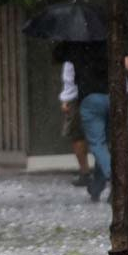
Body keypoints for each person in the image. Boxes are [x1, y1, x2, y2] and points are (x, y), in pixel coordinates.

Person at [68, 41, 128, 202]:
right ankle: (97, 188)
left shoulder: (76, 46)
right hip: (115, 97)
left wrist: (67, 99)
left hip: (90, 100)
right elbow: (126, 57)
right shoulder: (112, 40)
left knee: (98, 144)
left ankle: (116, 181)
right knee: (108, 144)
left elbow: (70, 76)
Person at [53, 42, 90, 187]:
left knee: (77, 135)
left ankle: (85, 172)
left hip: (76, 98)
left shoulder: (72, 57)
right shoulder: (97, 49)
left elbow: (69, 81)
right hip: (96, 95)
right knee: (98, 136)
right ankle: (102, 170)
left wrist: (66, 100)